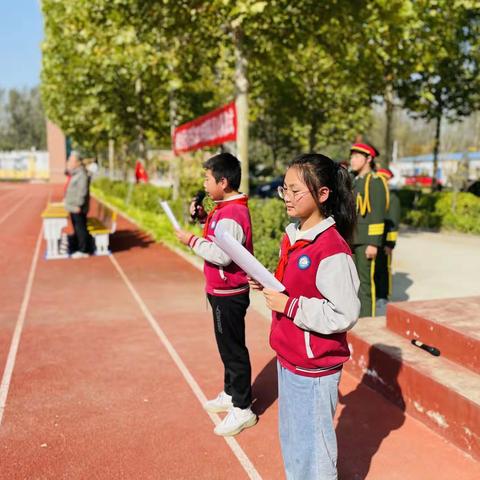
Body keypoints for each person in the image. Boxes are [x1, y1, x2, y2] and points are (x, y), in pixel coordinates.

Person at [251, 153, 360, 480]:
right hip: (289, 355)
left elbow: (344, 313)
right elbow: (295, 286)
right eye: (285, 189)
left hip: (314, 367)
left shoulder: (331, 250)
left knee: (314, 449)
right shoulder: (294, 236)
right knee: (294, 440)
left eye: (296, 191)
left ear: (323, 194)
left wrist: (290, 306)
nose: (288, 197)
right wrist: (267, 279)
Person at [175, 152, 257, 437]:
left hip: (229, 292)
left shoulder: (232, 213)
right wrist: (201, 220)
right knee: (226, 347)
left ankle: (243, 408)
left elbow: (222, 255)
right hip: (221, 289)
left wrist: (191, 240)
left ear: (223, 182)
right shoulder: (223, 208)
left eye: (207, 179)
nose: (204, 183)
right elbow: (217, 238)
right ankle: (230, 392)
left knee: (233, 349)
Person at [349, 143, 388, 317]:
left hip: (366, 241)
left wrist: (373, 243)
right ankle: (357, 315)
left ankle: (367, 318)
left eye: (357, 156)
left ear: (369, 159)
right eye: (352, 156)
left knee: (365, 283)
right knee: (353, 282)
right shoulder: (355, 181)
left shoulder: (376, 182)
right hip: (353, 239)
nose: (352, 160)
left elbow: (378, 216)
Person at [374, 168, 401, 313]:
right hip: (375, 237)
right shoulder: (376, 195)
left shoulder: (392, 197)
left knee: (384, 269)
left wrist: (390, 243)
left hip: (385, 239)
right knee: (375, 268)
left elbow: (394, 222)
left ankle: (383, 295)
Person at [64, 151, 92, 259]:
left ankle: (83, 250)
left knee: (81, 228)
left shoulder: (81, 174)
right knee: (77, 227)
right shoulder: (75, 173)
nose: (69, 162)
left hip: (77, 207)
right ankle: (78, 245)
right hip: (73, 205)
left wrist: (79, 205)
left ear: (77, 162)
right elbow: (66, 172)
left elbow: (82, 191)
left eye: (71, 160)